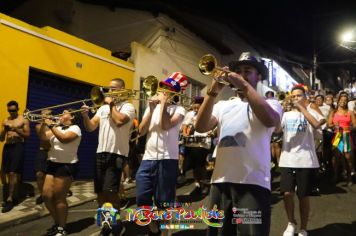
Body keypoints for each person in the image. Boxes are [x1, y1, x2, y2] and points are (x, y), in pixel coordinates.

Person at [195, 52, 282, 236]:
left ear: (258, 76)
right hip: (220, 182)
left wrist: (243, 84)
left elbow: (270, 120)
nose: (241, 74)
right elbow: (200, 126)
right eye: (238, 71)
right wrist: (212, 92)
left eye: (247, 71)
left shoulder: (271, 102)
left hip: (253, 183)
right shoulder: (223, 105)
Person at [81, 78, 135, 235]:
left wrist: (111, 104)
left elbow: (118, 121)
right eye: (108, 88)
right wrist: (85, 116)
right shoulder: (103, 108)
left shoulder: (128, 107)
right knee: (100, 193)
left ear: (122, 90)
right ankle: (107, 222)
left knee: (111, 192)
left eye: (113, 88)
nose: (108, 91)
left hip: (116, 154)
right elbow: (91, 127)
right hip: (100, 153)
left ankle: (117, 223)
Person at [136, 72, 187, 236]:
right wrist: (151, 110)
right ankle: (152, 227)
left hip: (167, 159)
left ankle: (165, 232)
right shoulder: (152, 107)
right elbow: (141, 130)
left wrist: (163, 104)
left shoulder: (179, 109)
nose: (163, 90)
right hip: (148, 158)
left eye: (168, 88)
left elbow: (166, 125)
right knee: (142, 197)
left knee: (164, 202)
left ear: (174, 93)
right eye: (163, 87)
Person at [278, 85, 325, 236]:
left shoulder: (312, 112)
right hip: (287, 159)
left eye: (299, 96)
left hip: (306, 160)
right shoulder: (286, 115)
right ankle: (291, 222)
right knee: (287, 194)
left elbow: (317, 124)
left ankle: (303, 228)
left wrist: (301, 108)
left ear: (305, 97)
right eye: (293, 96)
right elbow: (275, 130)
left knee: (303, 196)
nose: (295, 98)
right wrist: (280, 109)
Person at [39, 109, 81, 236]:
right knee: (46, 195)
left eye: (65, 112)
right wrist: (43, 123)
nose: (61, 114)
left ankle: (62, 228)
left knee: (59, 197)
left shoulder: (75, 128)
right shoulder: (58, 127)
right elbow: (43, 137)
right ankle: (58, 223)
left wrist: (51, 125)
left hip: (66, 165)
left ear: (72, 116)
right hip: (52, 163)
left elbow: (64, 139)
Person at [0, 100, 30, 213]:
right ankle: (14, 195)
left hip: (18, 145)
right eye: (9, 110)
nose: (11, 112)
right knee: (4, 171)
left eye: (13, 110)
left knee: (13, 172)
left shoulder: (23, 119)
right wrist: (4, 130)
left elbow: (27, 135)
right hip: (7, 146)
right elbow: (1, 138)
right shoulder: (5, 120)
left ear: (17, 109)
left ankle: (10, 199)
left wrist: (15, 129)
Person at [181, 96, 212, 196]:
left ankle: (204, 184)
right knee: (194, 166)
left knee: (200, 165)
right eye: (194, 107)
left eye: (198, 107)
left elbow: (213, 126)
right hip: (191, 143)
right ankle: (197, 184)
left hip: (202, 143)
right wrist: (185, 133)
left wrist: (211, 133)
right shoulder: (190, 114)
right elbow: (185, 125)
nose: (196, 109)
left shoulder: (208, 114)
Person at [328, 93, 356, 186]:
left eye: (345, 101)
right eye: (341, 100)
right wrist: (335, 126)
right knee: (336, 157)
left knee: (348, 157)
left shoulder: (350, 112)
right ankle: (336, 176)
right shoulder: (333, 112)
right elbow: (329, 124)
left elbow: (355, 125)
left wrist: (348, 128)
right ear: (338, 101)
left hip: (347, 135)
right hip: (338, 136)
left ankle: (350, 177)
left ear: (347, 102)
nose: (343, 102)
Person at [34, 109, 52, 205]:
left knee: (54, 175)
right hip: (42, 151)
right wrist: (44, 123)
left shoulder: (55, 124)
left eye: (47, 114)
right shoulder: (38, 126)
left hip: (53, 152)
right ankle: (42, 194)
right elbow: (43, 136)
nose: (44, 116)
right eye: (42, 115)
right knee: (39, 174)